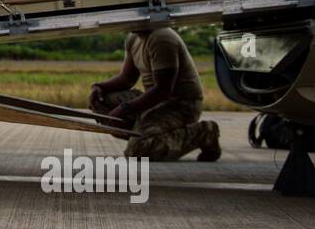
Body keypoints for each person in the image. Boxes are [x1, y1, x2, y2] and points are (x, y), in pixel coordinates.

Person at [89, 27, 220, 161]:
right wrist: (98, 87)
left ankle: (204, 132)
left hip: (180, 105)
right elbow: (127, 78)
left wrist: (125, 108)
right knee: (101, 101)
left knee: (138, 152)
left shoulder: (161, 37)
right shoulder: (133, 38)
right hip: (155, 102)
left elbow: (162, 91)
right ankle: (146, 133)